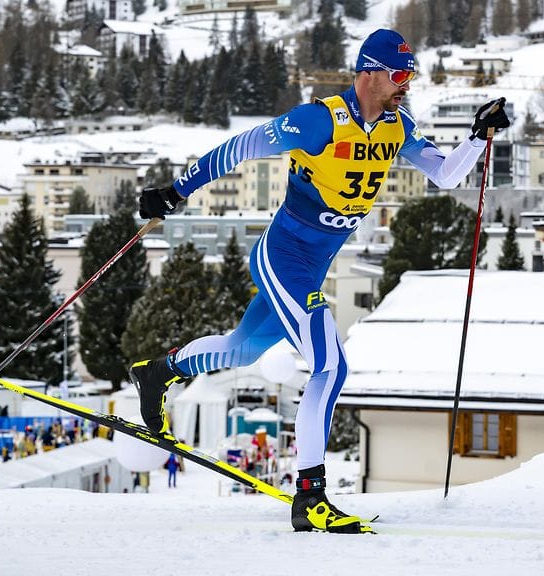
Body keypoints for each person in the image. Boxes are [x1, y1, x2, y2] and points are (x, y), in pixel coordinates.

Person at [129, 28, 509, 534]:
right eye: (399, 75)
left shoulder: (397, 126)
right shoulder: (318, 120)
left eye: (410, 76)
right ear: (369, 74)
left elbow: (445, 174)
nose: (406, 85)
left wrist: (478, 135)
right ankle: (310, 497)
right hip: (282, 257)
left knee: (243, 349)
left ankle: (159, 371)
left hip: (312, 264)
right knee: (330, 366)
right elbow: (240, 147)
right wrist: (176, 192)